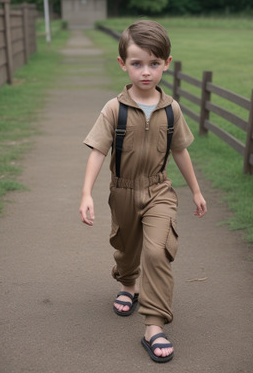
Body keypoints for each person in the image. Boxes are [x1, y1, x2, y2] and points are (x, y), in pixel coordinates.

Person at [79, 19, 207, 363]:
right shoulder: (114, 109)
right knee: (125, 247)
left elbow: (180, 150)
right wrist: (87, 193)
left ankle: (154, 324)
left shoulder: (172, 110)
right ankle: (128, 283)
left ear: (166, 62)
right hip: (122, 190)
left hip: (159, 190)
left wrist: (195, 190)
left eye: (154, 63)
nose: (145, 72)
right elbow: (97, 151)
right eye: (137, 64)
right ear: (123, 64)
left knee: (157, 251)